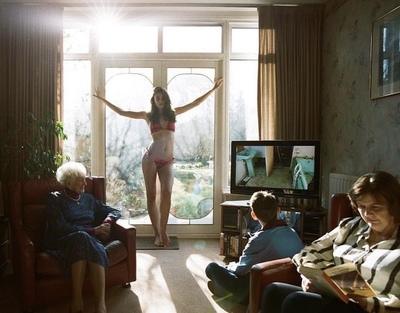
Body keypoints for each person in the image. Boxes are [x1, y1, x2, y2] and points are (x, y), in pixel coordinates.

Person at [93, 78, 223, 247]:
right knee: (152, 195)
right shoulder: (148, 116)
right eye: (157, 98)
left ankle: (164, 230)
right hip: (150, 158)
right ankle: (157, 233)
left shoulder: (173, 113)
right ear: (153, 101)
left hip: (168, 161)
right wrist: (103, 99)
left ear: (166, 99)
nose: (160, 101)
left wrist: (213, 89)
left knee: (167, 193)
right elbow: (122, 112)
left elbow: (195, 103)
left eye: (162, 98)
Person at [260, 171, 400, 313]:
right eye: (361, 206)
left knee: (296, 301)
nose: (367, 214)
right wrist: (312, 277)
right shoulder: (351, 226)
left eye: (376, 207)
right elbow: (309, 252)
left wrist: (366, 300)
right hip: (338, 297)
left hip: (370, 309)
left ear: (394, 205)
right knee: (274, 290)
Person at [44, 162, 121, 313]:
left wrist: (106, 222)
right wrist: (95, 230)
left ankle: (99, 305)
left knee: (84, 238)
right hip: (64, 241)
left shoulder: (89, 199)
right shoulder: (54, 199)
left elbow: (114, 211)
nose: (86, 183)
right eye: (81, 180)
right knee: (82, 237)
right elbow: (61, 228)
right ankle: (78, 298)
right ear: (69, 181)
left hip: (89, 239)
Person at [205, 191, 303, 304]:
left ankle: (233, 295)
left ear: (253, 215)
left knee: (211, 268)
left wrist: (229, 266)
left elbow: (240, 271)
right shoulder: (293, 232)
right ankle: (228, 292)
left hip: (262, 291)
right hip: (288, 289)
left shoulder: (257, 239)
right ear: (278, 210)